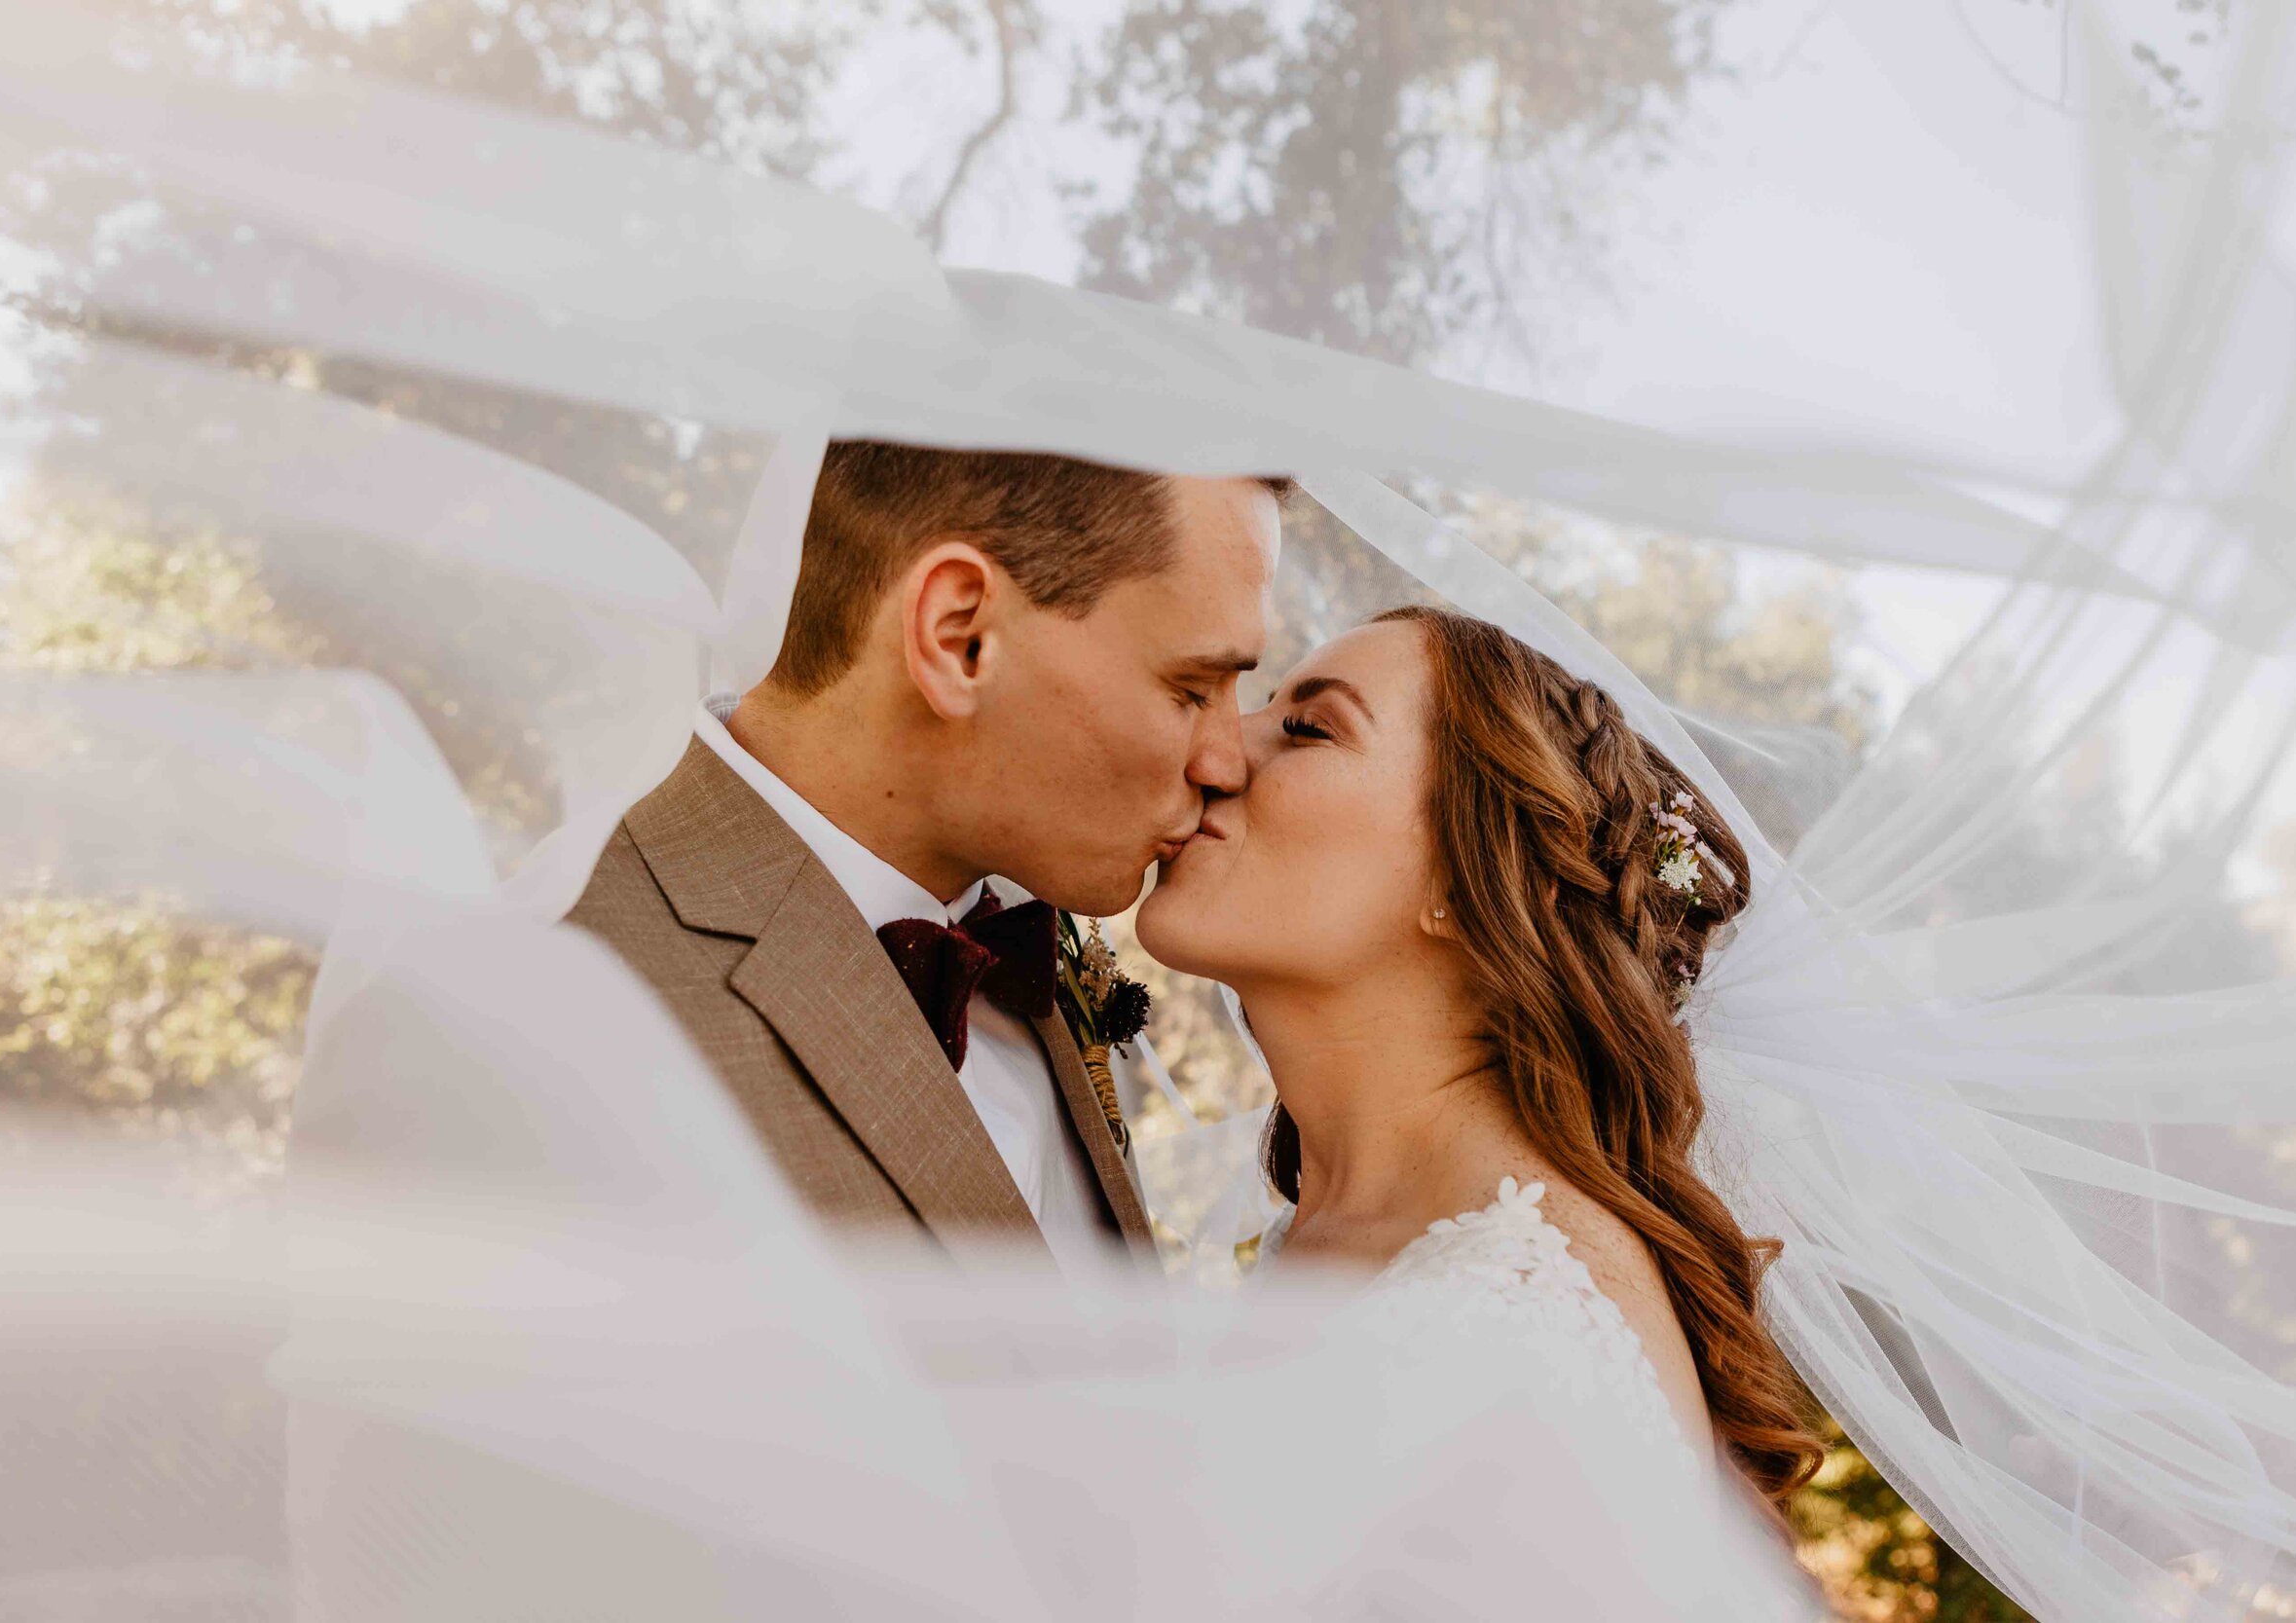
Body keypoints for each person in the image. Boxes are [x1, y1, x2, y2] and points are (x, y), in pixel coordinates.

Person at [1137, 605, 1825, 1501]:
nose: (1215, 752)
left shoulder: (1509, 1331)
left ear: (1472, 876)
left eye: (1306, 728)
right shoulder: (1343, 1231)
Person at [567, 440, 1289, 1280]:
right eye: (1192, 690)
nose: (1228, 762)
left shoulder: (1038, 945)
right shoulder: (573, 985)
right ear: (960, 638)